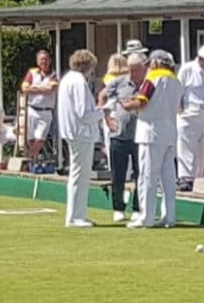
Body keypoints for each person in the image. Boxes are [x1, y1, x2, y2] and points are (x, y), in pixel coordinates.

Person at [124, 50, 183, 229]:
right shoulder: (176, 81)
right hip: (169, 132)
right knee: (168, 178)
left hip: (150, 131)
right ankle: (169, 216)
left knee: (148, 176)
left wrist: (127, 105)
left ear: (157, 63)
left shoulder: (153, 78)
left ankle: (146, 217)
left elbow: (142, 102)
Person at [57, 49, 101, 228]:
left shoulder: (67, 79)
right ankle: (75, 217)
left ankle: (77, 214)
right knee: (79, 176)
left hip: (73, 131)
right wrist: (102, 111)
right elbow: (84, 113)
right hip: (81, 133)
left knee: (78, 175)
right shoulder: (78, 82)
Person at [103, 52, 145, 223]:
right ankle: (118, 207)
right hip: (119, 135)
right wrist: (107, 118)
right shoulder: (119, 82)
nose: (133, 75)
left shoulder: (148, 84)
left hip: (140, 136)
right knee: (118, 174)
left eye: (136, 71)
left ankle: (137, 207)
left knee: (140, 173)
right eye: (131, 71)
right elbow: (103, 96)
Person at [177, 44, 204, 180]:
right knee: (187, 149)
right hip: (190, 114)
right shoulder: (187, 69)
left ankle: (199, 178)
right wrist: (180, 111)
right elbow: (178, 91)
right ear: (200, 59)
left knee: (203, 150)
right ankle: (186, 179)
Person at [20, 49, 58, 161]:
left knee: (40, 139)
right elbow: (24, 88)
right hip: (31, 109)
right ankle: (34, 161)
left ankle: (29, 158)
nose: (44, 62)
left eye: (46, 59)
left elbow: (51, 89)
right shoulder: (32, 72)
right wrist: (42, 88)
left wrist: (34, 88)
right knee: (30, 138)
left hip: (46, 112)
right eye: (41, 60)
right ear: (37, 62)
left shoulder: (54, 74)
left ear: (50, 61)